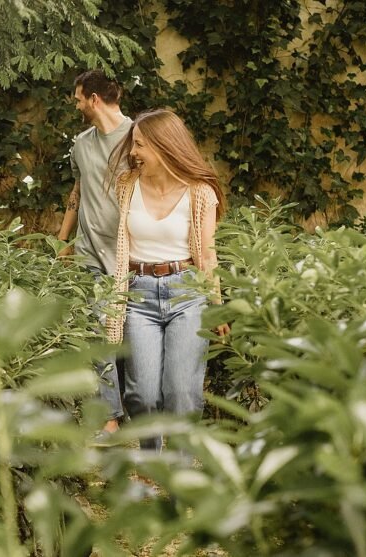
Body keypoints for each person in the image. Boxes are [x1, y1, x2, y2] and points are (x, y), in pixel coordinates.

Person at [103, 109, 230, 452]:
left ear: (164, 146)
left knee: (181, 392)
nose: (133, 152)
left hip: (187, 293)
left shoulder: (200, 192)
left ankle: (179, 470)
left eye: (140, 145)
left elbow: (207, 256)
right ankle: (151, 462)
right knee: (142, 394)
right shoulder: (127, 185)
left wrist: (217, 306)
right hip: (138, 294)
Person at [56, 69, 133, 442]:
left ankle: (134, 410)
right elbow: (78, 190)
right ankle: (110, 420)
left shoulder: (137, 137)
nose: (76, 106)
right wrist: (62, 241)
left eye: (78, 99)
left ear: (94, 99)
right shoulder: (81, 144)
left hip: (131, 255)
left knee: (130, 338)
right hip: (89, 254)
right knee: (98, 334)